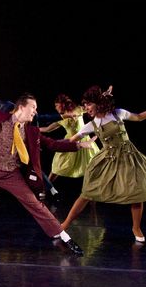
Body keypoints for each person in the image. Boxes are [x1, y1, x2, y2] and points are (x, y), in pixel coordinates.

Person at [0, 91, 95, 256]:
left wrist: (79, 145)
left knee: (37, 206)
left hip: (11, 175)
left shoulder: (32, 132)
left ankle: (66, 238)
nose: (35, 111)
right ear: (21, 108)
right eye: (33, 107)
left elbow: (52, 144)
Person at [61, 85, 146, 243]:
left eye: (88, 104)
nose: (86, 108)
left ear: (98, 103)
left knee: (137, 191)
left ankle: (136, 227)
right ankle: (64, 224)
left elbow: (139, 117)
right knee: (87, 193)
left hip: (128, 156)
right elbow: (70, 141)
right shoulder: (91, 125)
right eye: (84, 105)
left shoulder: (118, 113)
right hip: (108, 160)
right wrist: (45, 142)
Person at [0, 83, 61, 200]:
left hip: (22, 145)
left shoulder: (30, 115)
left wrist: (63, 116)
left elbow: (46, 117)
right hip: (6, 144)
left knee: (33, 167)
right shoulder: (7, 109)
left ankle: (51, 190)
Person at [38, 93, 100, 183]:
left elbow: (91, 106)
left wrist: (102, 96)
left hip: (84, 140)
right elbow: (47, 129)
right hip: (70, 142)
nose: (55, 108)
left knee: (94, 164)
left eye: (56, 105)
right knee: (57, 166)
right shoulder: (60, 118)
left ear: (62, 104)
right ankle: (46, 187)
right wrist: (35, 129)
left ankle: (97, 186)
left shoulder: (78, 109)